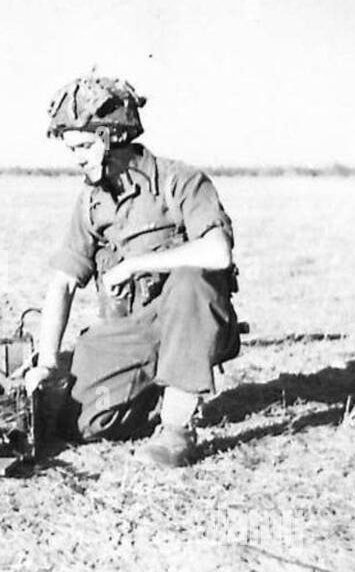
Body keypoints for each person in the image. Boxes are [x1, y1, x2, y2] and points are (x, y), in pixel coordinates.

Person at [23, 76, 241, 467]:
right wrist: (47, 363)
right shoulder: (93, 202)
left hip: (192, 319)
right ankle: (151, 397)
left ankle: (177, 428)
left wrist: (136, 264)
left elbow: (218, 252)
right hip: (133, 333)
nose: (78, 158)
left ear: (115, 137)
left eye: (85, 146)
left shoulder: (180, 181)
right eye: (72, 149)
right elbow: (63, 282)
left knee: (194, 276)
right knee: (78, 423)